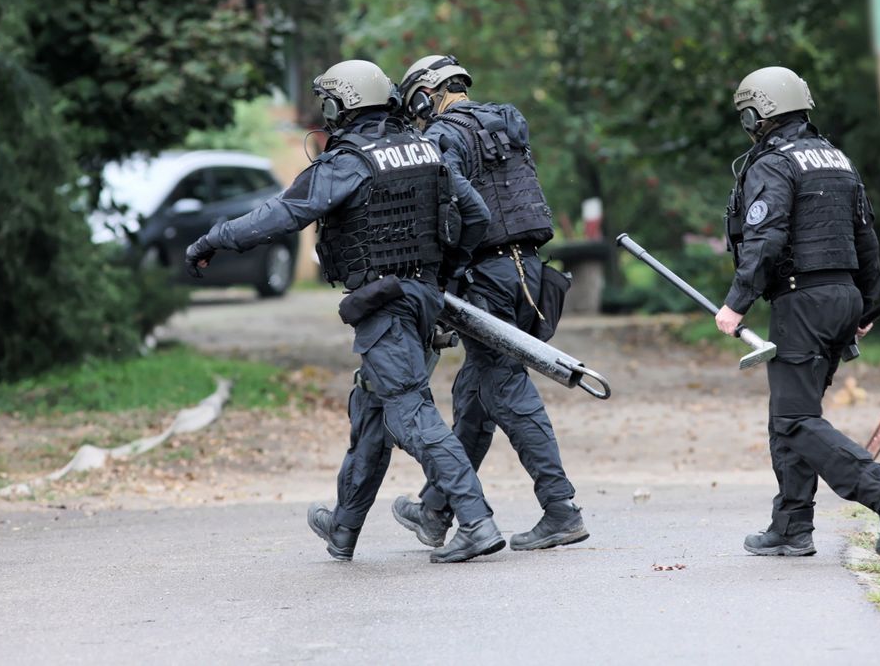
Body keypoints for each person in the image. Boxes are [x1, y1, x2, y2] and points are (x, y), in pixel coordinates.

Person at [184, 59, 506, 564]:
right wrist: (444, 276)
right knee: (374, 412)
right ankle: (344, 528)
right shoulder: (428, 148)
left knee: (408, 411)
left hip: (383, 304)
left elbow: (285, 213)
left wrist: (215, 239)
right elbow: (477, 216)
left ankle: (477, 521)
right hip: (420, 299)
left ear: (342, 104)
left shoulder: (350, 161)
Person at [713, 66, 880, 558]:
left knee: (792, 419)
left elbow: (766, 239)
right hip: (841, 298)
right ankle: (790, 526)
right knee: (791, 413)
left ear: (756, 112)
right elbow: (868, 240)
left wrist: (734, 303)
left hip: (801, 300)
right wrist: (866, 305)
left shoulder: (773, 163)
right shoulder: (835, 159)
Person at [387, 54, 588, 552]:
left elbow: (450, 213)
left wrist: (444, 276)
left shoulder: (441, 137)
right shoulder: (502, 124)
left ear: (423, 94)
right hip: (528, 271)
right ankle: (436, 510)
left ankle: (561, 509)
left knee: (506, 388)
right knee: (475, 396)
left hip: (487, 276)